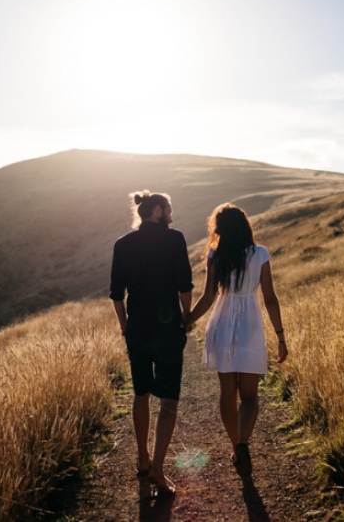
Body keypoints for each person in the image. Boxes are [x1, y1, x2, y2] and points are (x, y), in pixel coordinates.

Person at [186, 203, 288, 477]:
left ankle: (236, 446)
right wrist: (280, 337)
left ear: (220, 229)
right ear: (245, 226)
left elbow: (208, 297)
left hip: (222, 323)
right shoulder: (261, 254)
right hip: (250, 326)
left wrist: (188, 319)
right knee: (251, 396)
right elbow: (269, 298)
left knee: (227, 393)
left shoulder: (215, 255)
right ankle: (243, 442)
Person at [109, 190, 194, 497]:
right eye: (168, 210)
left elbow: (116, 294)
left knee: (141, 394)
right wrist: (187, 315)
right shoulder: (175, 239)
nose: (171, 215)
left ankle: (143, 458)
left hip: (137, 331)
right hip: (168, 329)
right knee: (168, 402)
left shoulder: (122, 244)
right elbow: (185, 284)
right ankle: (158, 466)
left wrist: (125, 328)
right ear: (158, 210)